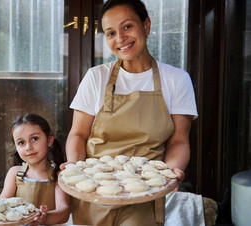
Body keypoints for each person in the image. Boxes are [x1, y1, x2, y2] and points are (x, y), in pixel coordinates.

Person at [64, 0, 198, 225]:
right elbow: (78, 135)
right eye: (111, 33)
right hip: (96, 190)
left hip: (145, 191)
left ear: (146, 26)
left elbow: (179, 141)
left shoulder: (176, 80)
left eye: (127, 27)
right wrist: (76, 170)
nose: (120, 39)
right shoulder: (96, 77)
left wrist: (172, 171)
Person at [0, 114, 70, 225]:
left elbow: (64, 212)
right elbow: (1, 205)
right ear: (16, 146)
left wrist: (45, 218)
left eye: (34, 139)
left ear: (49, 140)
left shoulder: (59, 175)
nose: (28, 147)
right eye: (21, 142)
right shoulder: (14, 173)